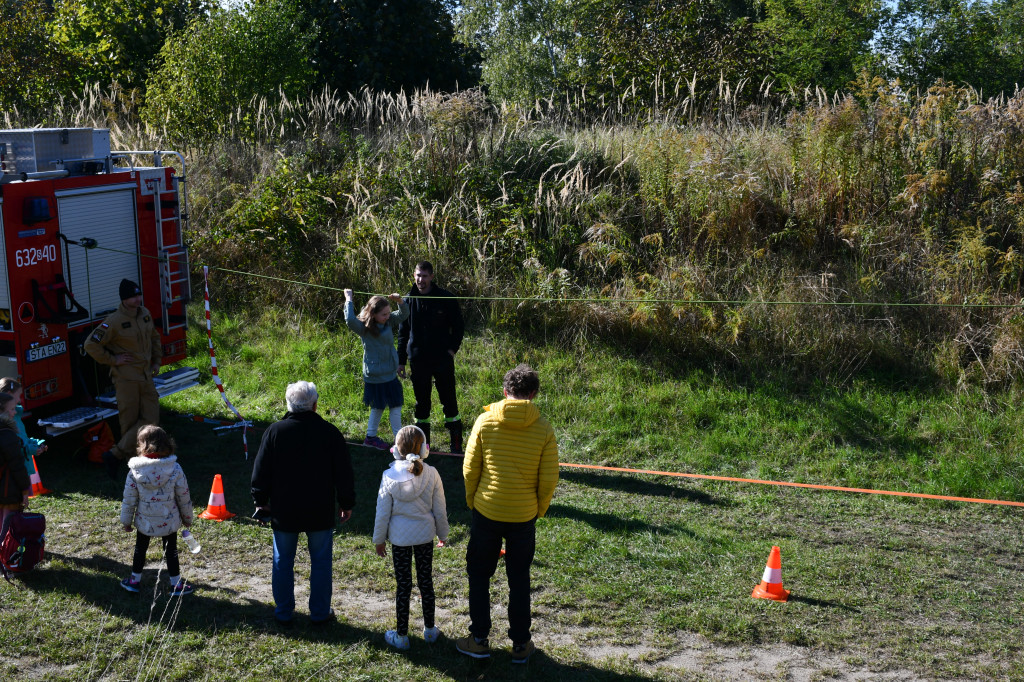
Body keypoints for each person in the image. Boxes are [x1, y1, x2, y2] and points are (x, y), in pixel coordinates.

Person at [456, 364, 559, 664]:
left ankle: (478, 639)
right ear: (534, 394)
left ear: (505, 391)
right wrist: (539, 507)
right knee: (519, 578)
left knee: (478, 574)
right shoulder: (543, 427)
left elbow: (469, 468)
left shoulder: (485, 421)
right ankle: (521, 644)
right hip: (523, 515)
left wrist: (472, 500)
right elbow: (549, 477)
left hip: (487, 509)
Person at [251, 381, 355, 625]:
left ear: (288, 404)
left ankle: (284, 612)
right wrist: (346, 502)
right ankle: (319, 613)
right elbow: (344, 472)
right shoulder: (330, 432)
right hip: (319, 509)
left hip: (284, 510)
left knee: (282, 560)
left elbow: (260, 471)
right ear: (315, 405)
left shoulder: (275, 431)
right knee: (320, 561)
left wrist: (260, 500)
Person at [372, 425, 450, 650]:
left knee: (403, 585)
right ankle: (430, 630)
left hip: (399, 540)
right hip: (425, 536)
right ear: (425, 449)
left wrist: (379, 540)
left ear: (396, 449)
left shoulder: (388, 476)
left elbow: (382, 512)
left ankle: (401, 634)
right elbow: (440, 509)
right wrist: (443, 534)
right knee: (426, 582)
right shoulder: (433, 474)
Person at [84, 279, 162, 478]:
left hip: (145, 376)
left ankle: (114, 455)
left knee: (151, 419)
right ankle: (134, 464)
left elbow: (154, 338)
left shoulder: (145, 314)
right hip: (126, 379)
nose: (137, 299)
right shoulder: (114, 321)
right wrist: (113, 359)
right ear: (124, 299)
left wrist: (156, 362)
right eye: (133, 296)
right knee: (129, 422)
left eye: (139, 295)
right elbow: (90, 345)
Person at [397, 261, 465, 453]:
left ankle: (456, 443)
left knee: (449, 399)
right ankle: (423, 445)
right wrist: (401, 360)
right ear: (413, 275)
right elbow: (403, 333)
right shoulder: (408, 300)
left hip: (442, 359)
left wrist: (452, 349)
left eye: (425, 276)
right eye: (418, 275)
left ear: (432, 277)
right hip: (418, 360)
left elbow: (459, 326)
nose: (421, 280)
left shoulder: (446, 297)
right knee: (422, 404)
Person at [118, 425, 194, 595]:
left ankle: (134, 581)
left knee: (140, 549)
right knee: (171, 551)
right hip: (169, 520)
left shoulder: (134, 471)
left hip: (145, 521)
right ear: (167, 443)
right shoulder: (175, 469)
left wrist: (126, 521)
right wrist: (187, 518)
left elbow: (129, 500)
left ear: (142, 445)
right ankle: (176, 584)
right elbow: (184, 496)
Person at [344, 288, 409, 449]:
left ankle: (398, 438)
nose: (388, 316)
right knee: (378, 407)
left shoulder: (388, 322)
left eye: (388, 313)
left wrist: (400, 301)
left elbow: (403, 314)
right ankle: (371, 437)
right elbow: (350, 320)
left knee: (396, 406)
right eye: (384, 314)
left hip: (390, 374)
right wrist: (349, 299)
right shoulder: (364, 328)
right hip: (375, 376)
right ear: (373, 314)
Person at [0, 378, 47, 481]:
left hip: (22, 469)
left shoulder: (15, 415)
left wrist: (36, 443)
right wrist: (32, 449)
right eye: (19, 396)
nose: (20, 400)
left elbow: (22, 439)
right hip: (14, 474)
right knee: (21, 496)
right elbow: (13, 447)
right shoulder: (6, 424)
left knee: (25, 495)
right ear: (10, 394)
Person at [0, 393, 31, 529]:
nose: (14, 413)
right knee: (8, 528)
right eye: (12, 409)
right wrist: (25, 489)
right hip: (8, 491)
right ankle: (5, 549)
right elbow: (17, 466)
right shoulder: (8, 435)